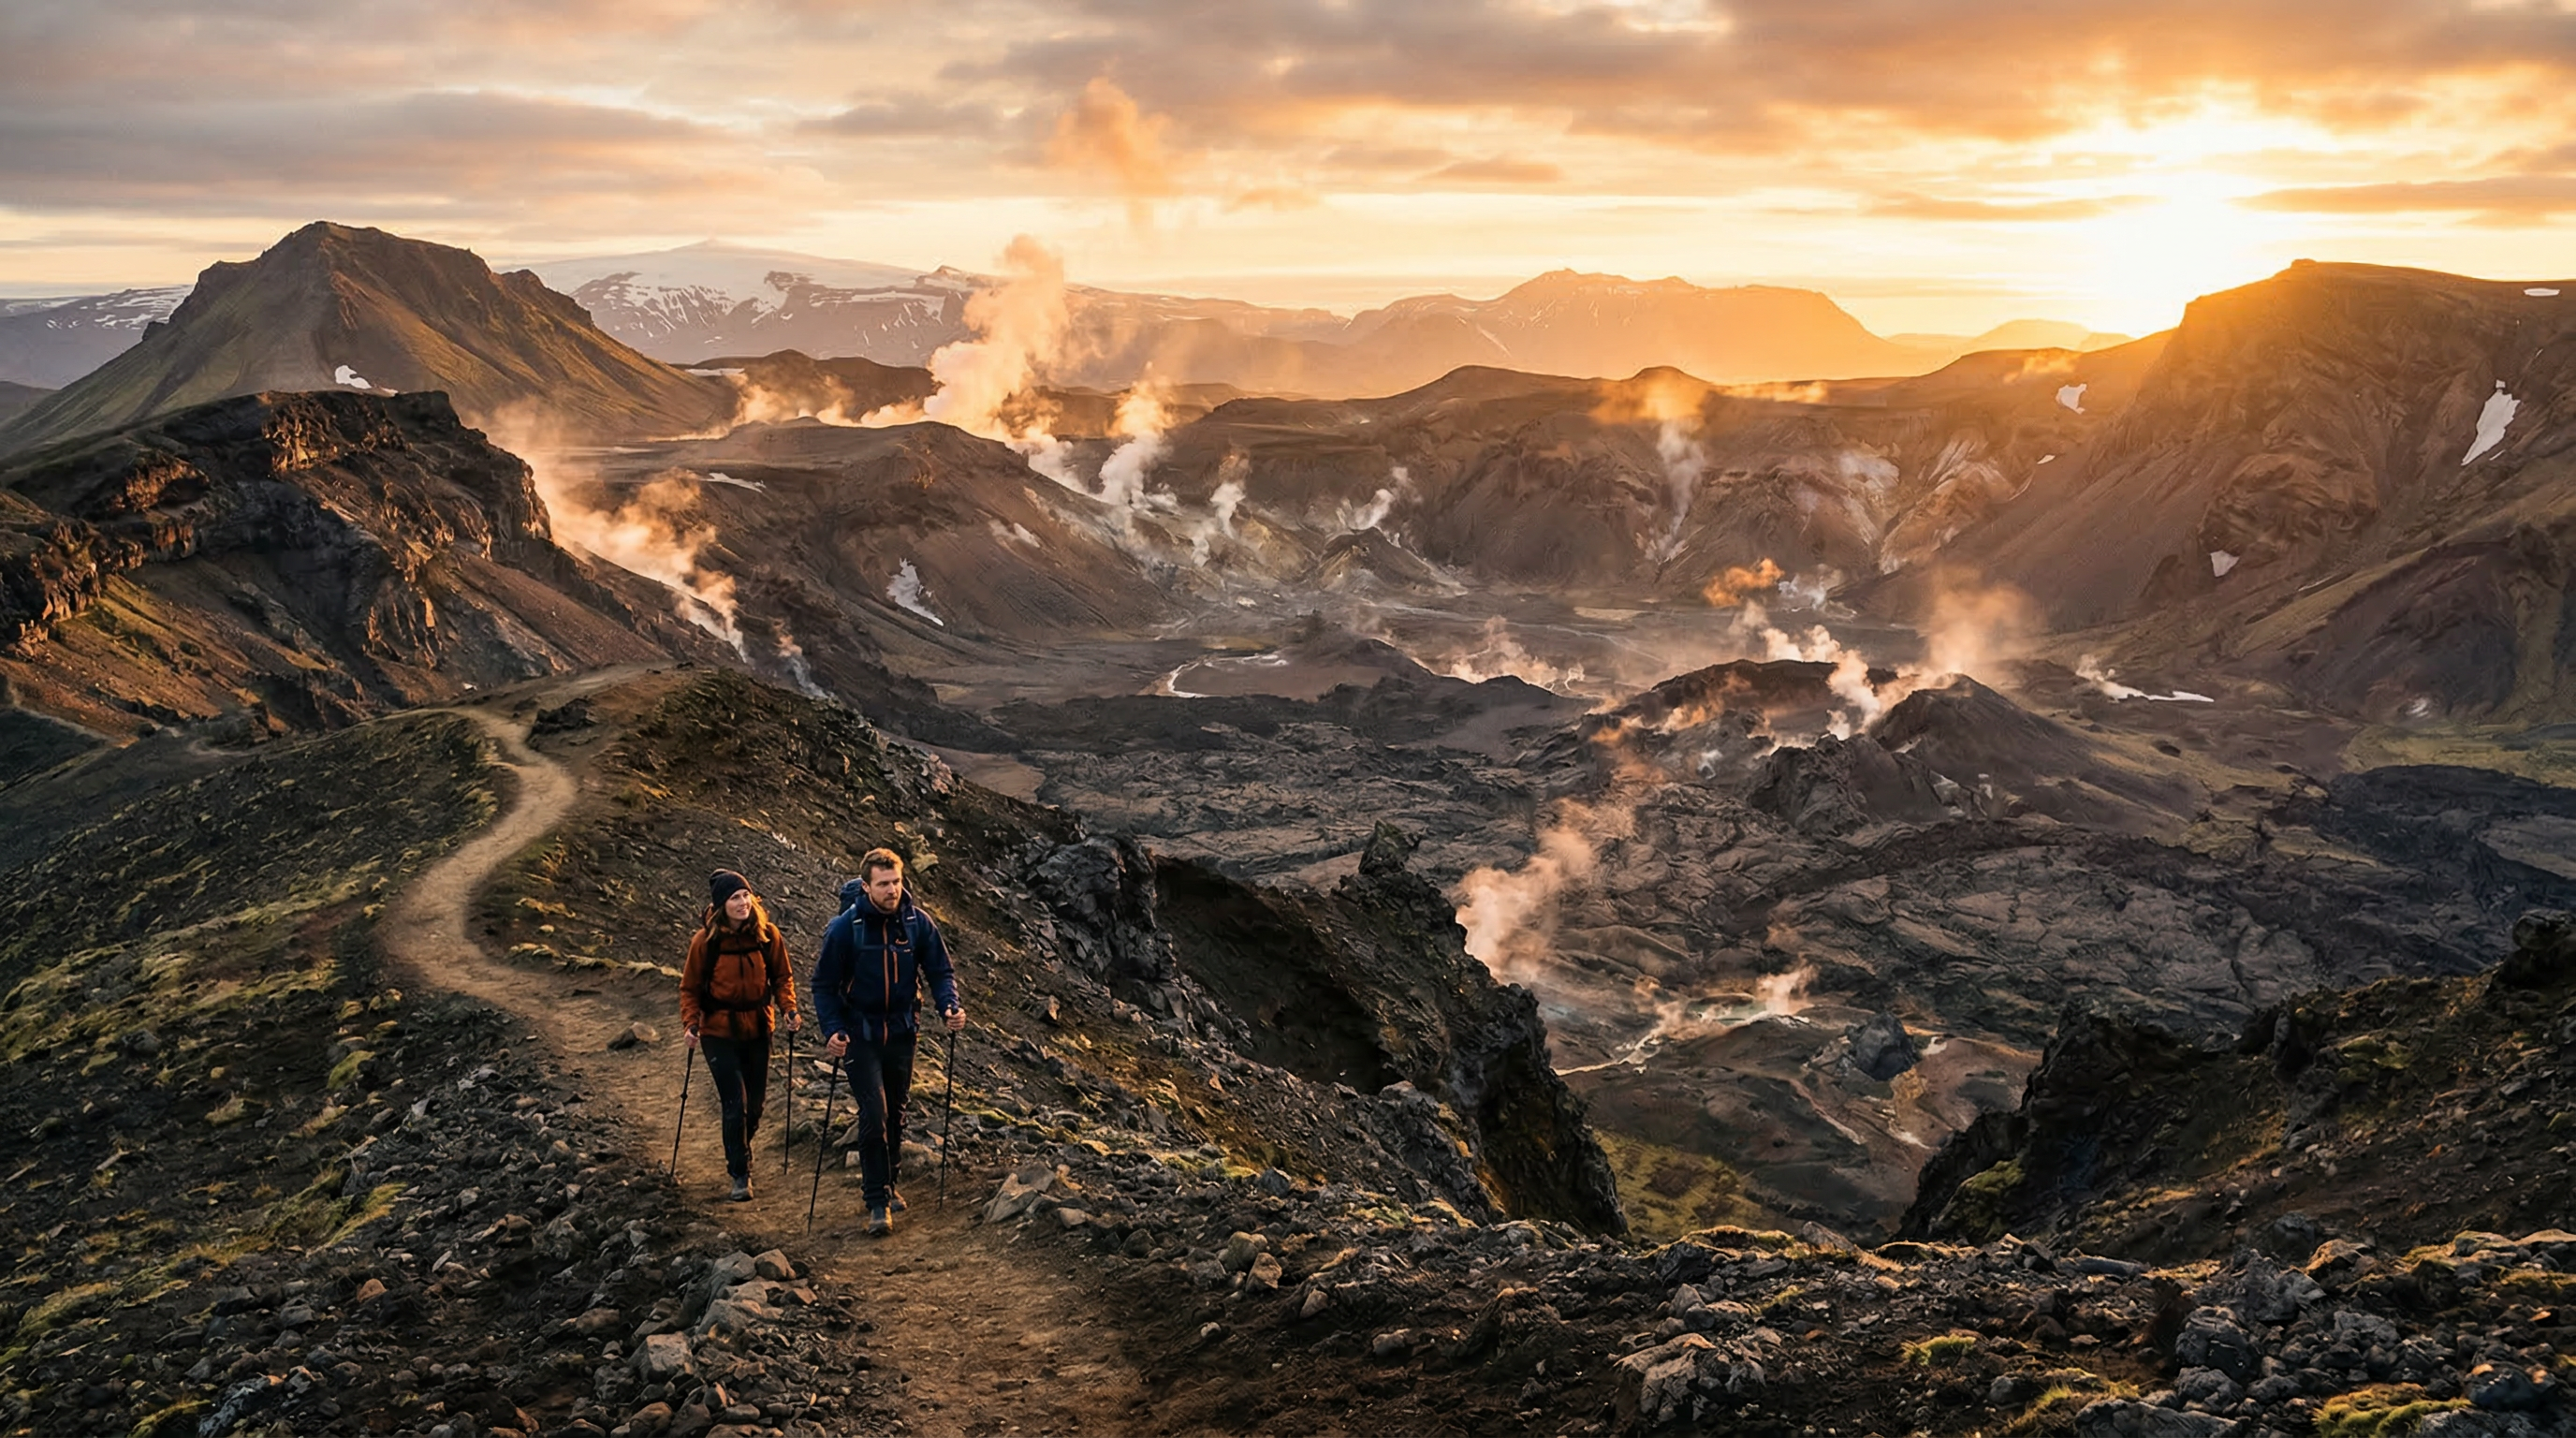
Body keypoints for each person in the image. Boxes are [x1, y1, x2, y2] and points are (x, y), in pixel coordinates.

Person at [811, 847, 963, 1236]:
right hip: (859, 1035)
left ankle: (889, 1183)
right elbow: (824, 986)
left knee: (896, 1111)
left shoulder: (917, 923)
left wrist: (949, 1006)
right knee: (874, 1114)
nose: (892, 890)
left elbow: (940, 971)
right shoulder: (846, 928)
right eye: (884, 884)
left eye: (896, 882)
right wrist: (832, 1029)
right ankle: (877, 1200)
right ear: (867, 886)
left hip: (902, 1031)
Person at [679, 869, 799, 1202]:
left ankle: (740, 1148)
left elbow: (782, 977)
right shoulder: (704, 942)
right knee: (736, 1103)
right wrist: (691, 1024)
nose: (743, 902)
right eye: (735, 898)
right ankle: (740, 1173)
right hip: (718, 1031)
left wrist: (789, 1009)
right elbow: (689, 988)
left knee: (756, 1107)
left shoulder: (768, 936)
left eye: (746, 895)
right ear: (721, 905)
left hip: (760, 1028)